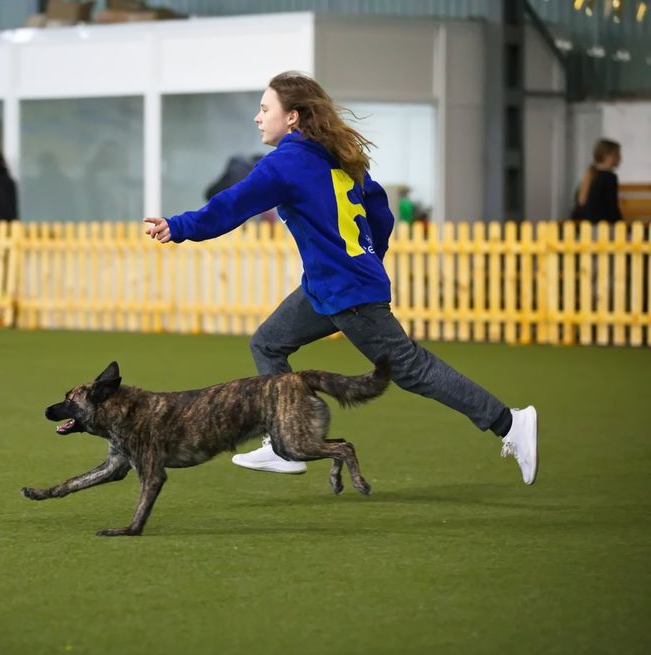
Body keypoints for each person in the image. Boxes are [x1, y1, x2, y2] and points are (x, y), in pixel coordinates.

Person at [142, 71, 538, 485]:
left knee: (410, 369)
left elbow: (233, 203)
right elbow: (380, 212)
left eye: (264, 109)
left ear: (292, 117)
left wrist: (180, 226)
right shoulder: (337, 154)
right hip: (328, 287)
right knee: (268, 342)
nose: (257, 118)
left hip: (347, 290)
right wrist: (369, 257)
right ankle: (284, 444)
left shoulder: (286, 163)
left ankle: (510, 423)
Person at [571, 139, 623, 223]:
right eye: (618, 154)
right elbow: (612, 208)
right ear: (609, 156)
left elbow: (579, 206)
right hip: (601, 227)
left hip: (584, 226)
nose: (620, 158)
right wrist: (624, 227)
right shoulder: (609, 177)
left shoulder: (590, 174)